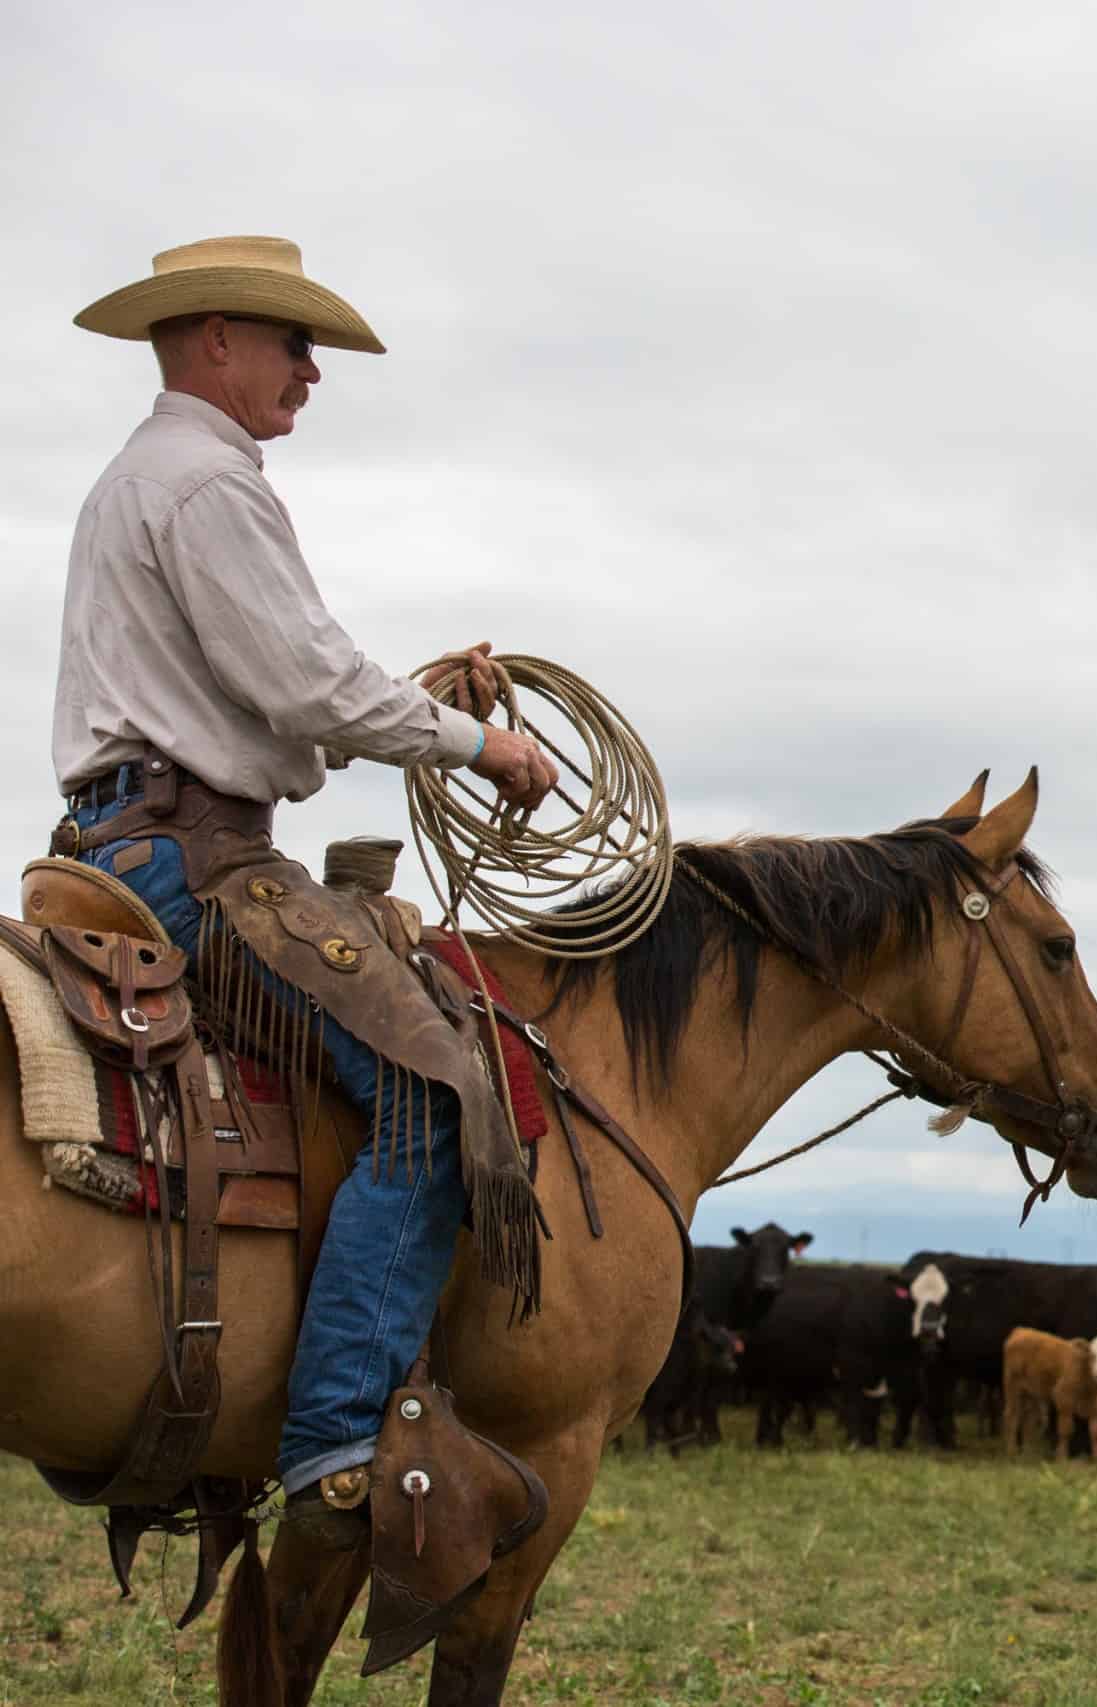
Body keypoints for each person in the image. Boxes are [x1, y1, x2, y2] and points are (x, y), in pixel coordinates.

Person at [54, 235, 559, 1540]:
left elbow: (282, 694)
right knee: (436, 1085)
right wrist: (480, 741)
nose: (312, 371)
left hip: (114, 838)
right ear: (214, 336)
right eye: (294, 343)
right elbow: (308, 688)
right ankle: (340, 1430)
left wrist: (403, 698)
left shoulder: (135, 481)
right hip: (200, 862)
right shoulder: (210, 484)